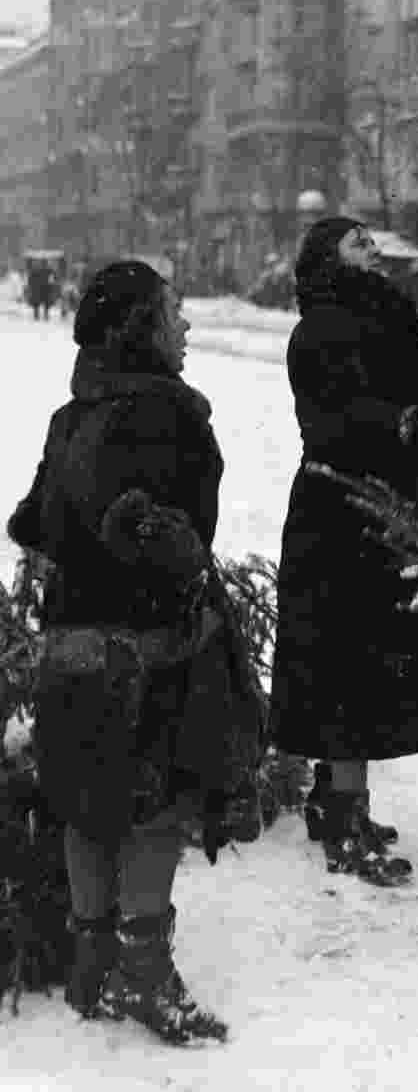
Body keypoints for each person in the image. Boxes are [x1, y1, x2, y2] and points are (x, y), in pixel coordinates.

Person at [6, 260, 265, 1044]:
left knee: (86, 809)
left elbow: (31, 522)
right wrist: (157, 539)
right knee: (154, 813)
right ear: (138, 329)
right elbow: (181, 539)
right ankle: (145, 980)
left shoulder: (68, 415)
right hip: (146, 653)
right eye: (173, 312)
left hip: (68, 650)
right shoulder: (169, 414)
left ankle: (93, 970)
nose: (184, 326)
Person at [269, 217, 418, 886]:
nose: (371, 245)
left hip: (389, 501)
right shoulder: (321, 326)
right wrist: (403, 420)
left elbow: (416, 391)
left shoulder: (385, 316)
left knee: (367, 658)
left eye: (371, 238)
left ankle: (331, 796)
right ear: (325, 257)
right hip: (342, 508)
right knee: (349, 664)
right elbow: (334, 419)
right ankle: (344, 818)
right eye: (354, 240)